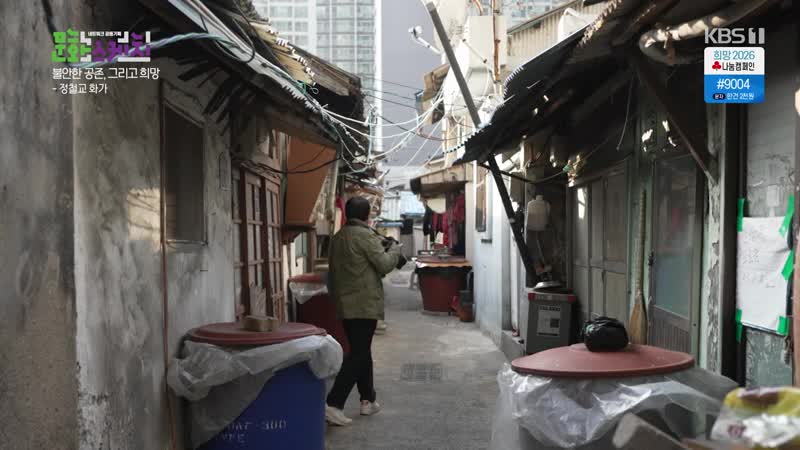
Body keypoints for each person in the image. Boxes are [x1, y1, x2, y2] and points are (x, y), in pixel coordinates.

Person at [325, 196, 404, 426]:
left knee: (362, 350)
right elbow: (385, 264)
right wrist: (395, 250)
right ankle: (334, 403)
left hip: (345, 303)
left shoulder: (338, 238)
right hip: (364, 304)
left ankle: (368, 400)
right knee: (359, 354)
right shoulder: (365, 236)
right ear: (367, 215)